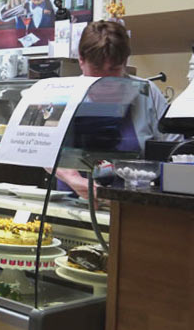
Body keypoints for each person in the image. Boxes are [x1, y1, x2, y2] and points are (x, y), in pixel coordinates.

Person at [55, 20, 179, 199]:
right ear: (81, 60)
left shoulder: (147, 93)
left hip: (132, 205)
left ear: (125, 62)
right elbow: (41, 147)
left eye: (113, 69)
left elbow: (173, 149)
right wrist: (73, 179)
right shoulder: (62, 93)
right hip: (74, 203)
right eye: (97, 69)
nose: (106, 79)